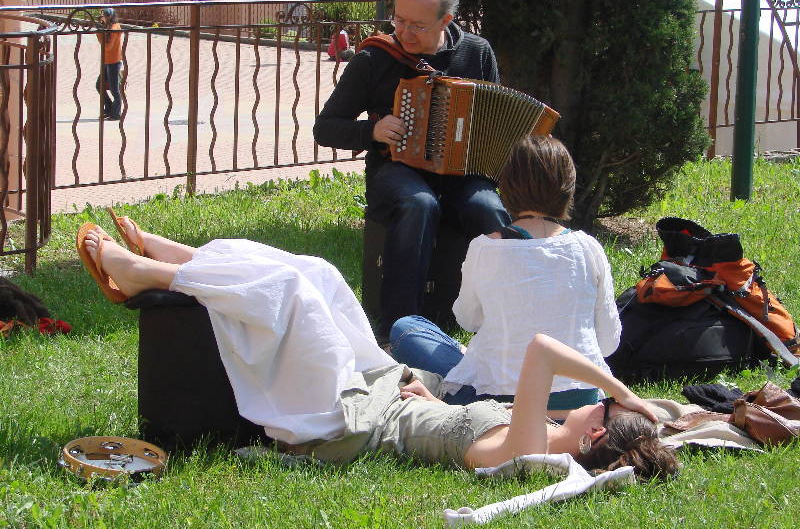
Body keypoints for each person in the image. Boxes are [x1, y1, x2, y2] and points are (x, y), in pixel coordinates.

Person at [75, 218, 679, 479]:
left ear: (597, 432)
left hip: (350, 420)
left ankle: (145, 274)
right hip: (387, 385)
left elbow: (543, 350)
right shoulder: (543, 433)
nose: (592, 401)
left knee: (293, 293)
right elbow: (452, 424)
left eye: (600, 409)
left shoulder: (526, 449)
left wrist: (618, 388)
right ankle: (187, 260)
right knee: (321, 273)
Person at [313, 0, 510, 343]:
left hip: (463, 175)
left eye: (417, 25)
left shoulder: (476, 52)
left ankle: (501, 323)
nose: (404, 33)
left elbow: (492, 119)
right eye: (398, 20)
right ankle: (400, 329)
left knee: (490, 211)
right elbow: (325, 128)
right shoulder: (373, 58)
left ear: (445, 21)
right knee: (419, 204)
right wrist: (371, 131)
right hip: (395, 170)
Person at [390, 136, 621, 415]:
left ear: (507, 185)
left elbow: (468, 319)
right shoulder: (589, 248)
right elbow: (608, 342)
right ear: (568, 188)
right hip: (581, 406)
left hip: (499, 406)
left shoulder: (486, 247)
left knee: (406, 329)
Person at [95, 7, 123, 121]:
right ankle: (109, 108)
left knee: (114, 90)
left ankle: (116, 114)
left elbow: (108, 47)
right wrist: (100, 30)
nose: (104, 18)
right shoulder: (108, 27)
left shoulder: (115, 28)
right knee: (99, 86)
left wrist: (99, 34)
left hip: (114, 62)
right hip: (106, 62)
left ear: (110, 17)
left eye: (105, 16)